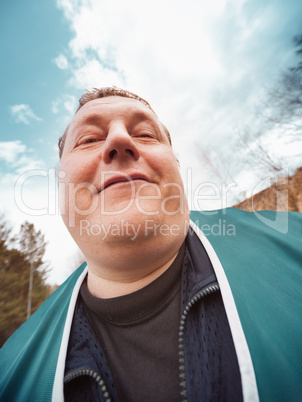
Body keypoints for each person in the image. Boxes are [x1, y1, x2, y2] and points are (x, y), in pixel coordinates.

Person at [1, 87, 302, 402]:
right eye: (89, 140)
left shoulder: (295, 241)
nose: (121, 141)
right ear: (59, 183)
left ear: (175, 164)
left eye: (144, 134)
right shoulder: (10, 377)